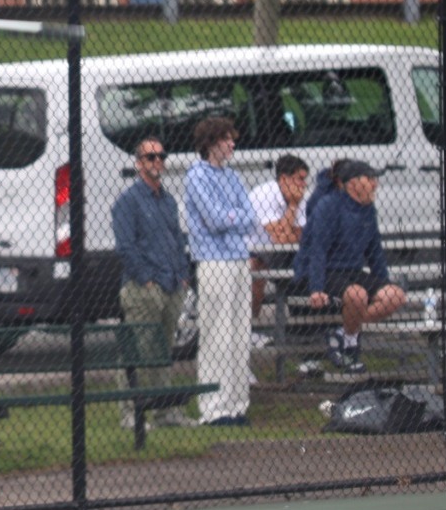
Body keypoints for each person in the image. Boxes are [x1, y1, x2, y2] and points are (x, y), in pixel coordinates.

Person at [109, 136, 192, 430]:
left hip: (171, 283)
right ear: (138, 163)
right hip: (143, 287)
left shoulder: (168, 200)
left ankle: (164, 410)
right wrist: (145, 280)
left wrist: (182, 275)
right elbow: (126, 247)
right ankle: (130, 412)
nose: (157, 162)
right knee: (137, 350)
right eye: (150, 157)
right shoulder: (128, 201)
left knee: (163, 352)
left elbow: (177, 239)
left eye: (160, 156)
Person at [297, 159, 406, 373]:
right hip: (327, 271)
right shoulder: (329, 205)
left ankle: (343, 332)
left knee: (395, 296)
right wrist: (317, 288)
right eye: (370, 179)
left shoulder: (368, 209)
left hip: (353, 271)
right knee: (357, 295)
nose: (375, 184)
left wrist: (384, 281)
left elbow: (375, 251)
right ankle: (350, 342)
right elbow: (317, 249)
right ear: (352, 183)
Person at [182, 116, 255, 427]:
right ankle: (214, 407)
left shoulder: (233, 176)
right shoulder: (197, 176)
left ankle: (237, 405)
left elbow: (250, 216)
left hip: (239, 259)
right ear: (211, 143)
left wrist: (232, 217)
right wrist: (233, 217)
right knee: (217, 334)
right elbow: (213, 219)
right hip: (214, 262)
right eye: (226, 139)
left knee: (240, 333)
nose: (231, 144)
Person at [249, 154, 309, 319]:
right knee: (256, 271)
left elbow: (298, 237)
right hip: (253, 246)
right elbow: (281, 240)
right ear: (283, 178)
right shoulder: (264, 194)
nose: (304, 184)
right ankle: (250, 326)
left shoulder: (299, 195)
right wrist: (293, 206)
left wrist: (294, 205)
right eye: (300, 179)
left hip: (279, 252)